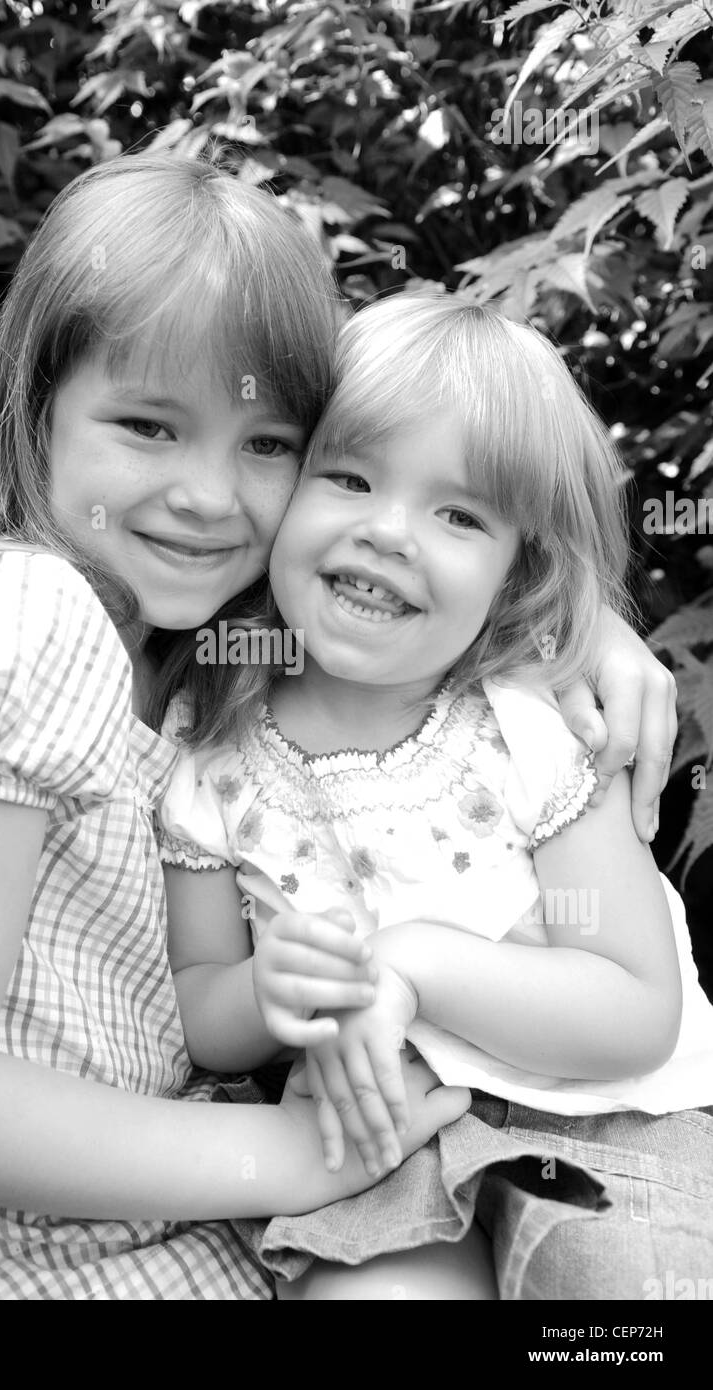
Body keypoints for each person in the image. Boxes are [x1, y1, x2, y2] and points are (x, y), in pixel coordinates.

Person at [0, 154, 680, 1300]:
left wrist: (580, 625)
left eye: (266, 446)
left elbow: (419, 486)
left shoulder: (189, 663)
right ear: (34, 409)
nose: (210, 495)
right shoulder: (20, 614)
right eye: (148, 425)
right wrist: (299, 1158)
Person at [157, 292, 713, 1300]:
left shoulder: (530, 727)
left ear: (517, 572)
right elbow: (202, 1003)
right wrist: (261, 995)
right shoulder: (213, 758)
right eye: (349, 476)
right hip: (376, 1133)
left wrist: (409, 963)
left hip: (608, 1127)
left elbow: (637, 1011)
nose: (389, 532)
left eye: (458, 513)